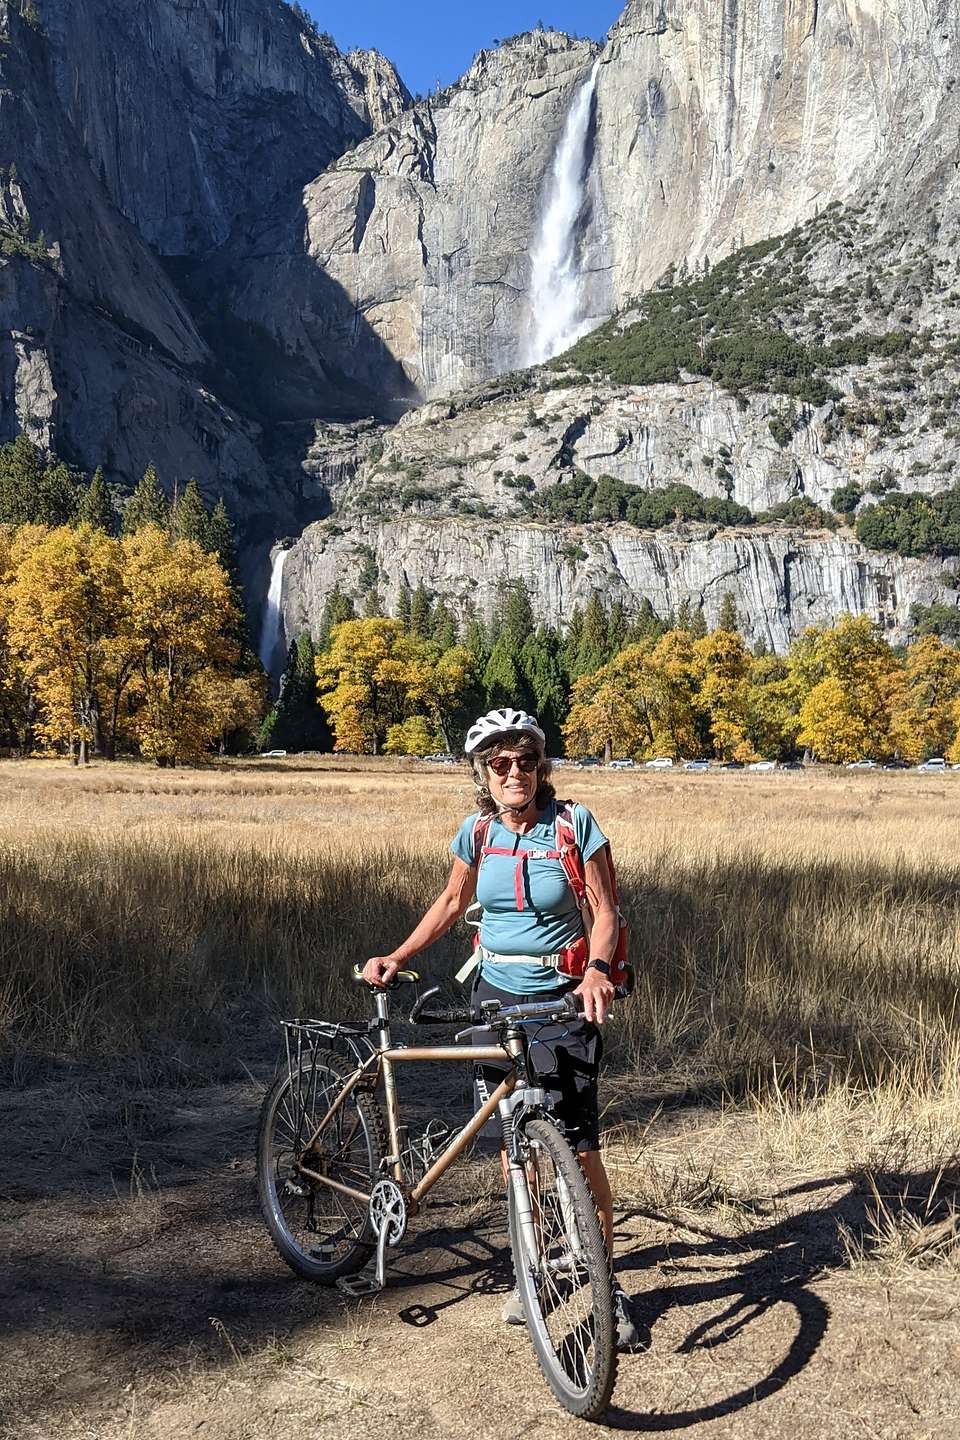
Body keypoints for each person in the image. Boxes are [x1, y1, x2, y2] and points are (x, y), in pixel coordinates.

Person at [362, 706, 639, 1348]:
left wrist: (598, 971)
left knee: (577, 1141)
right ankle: (533, 1271)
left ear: (541, 768)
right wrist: (398, 957)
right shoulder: (478, 831)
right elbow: (453, 901)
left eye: (525, 762)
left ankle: (605, 1282)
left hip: (563, 1001)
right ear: (483, 774)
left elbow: (605, 909)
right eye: (500, 763)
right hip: (493, 999)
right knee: (517, 1142)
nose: (514, 773)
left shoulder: (574, 824)